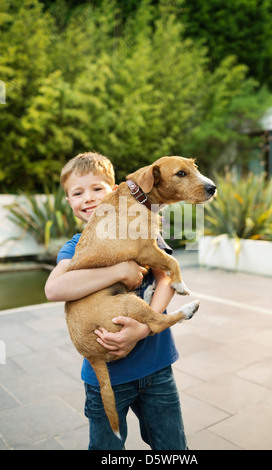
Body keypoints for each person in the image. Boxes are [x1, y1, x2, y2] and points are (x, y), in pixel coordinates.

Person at [45, 152, 188, 450]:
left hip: (156, 366)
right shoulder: (76, 245)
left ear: (114, 190)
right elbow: (54, 289)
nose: (88, 198)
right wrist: (118, 270)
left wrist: (146, 328)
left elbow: (167, 279)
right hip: (106, 376)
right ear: (69, 202)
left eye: (97, 188)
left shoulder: (142, 223)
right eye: (77, 193)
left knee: (173, 447)